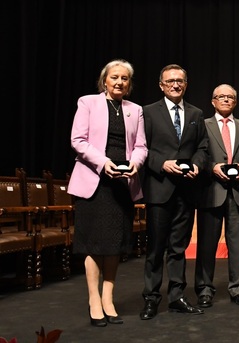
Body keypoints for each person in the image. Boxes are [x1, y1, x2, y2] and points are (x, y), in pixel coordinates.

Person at [68, 59, 148, 327]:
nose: (119, 82)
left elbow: (141, 146)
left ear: (129, 84)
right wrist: (104, 164)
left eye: (124, 79)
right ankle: (93, 299)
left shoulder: (134, 110)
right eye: (114, 77)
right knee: (93, 241)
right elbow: (78, 140)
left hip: (122, 183)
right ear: (105, 80)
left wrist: (134, 164)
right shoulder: (88, 102)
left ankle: (108, 298)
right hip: (95, 180)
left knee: (114, 242)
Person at [139, 64, 209, 320]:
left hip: (187, 190)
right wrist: (162, 163)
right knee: (156, 248)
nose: (175, 85)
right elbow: (141, 148)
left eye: (180, 81)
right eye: (170, 81)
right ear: (161, 85)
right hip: (159, 189)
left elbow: (203, 147)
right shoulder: (147, 112)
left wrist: (197, 165)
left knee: (178, 248)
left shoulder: (196, 113)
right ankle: (150, 298)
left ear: (186, 84)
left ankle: (177, 296)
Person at [195, 84, 239, 307]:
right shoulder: (202, 125)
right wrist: (212, 167)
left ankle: (237, 288)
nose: (226, 100)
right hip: (210, 191)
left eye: (230, 97)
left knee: (238, 244)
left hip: (237, 193)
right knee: (207, 244)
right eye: (221, 97)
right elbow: (197, 154)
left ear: (235, 102)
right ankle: (204, 288)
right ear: (213, 101)